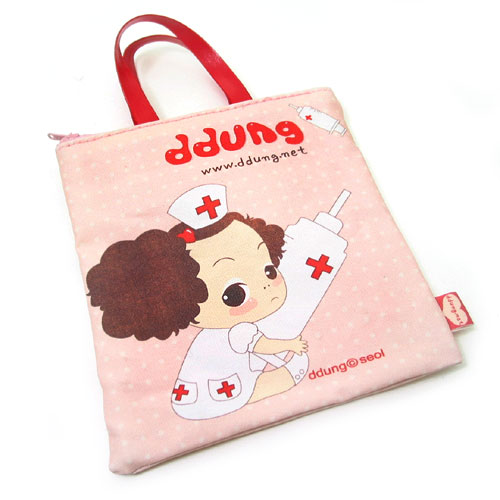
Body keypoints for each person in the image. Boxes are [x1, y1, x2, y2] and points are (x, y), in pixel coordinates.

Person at [86, 185, 309, 420]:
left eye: (269, 271)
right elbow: (262, 346)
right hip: (219, 393)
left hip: (192, 394)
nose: (265, 287)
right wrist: (291, 345)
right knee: (275, 380)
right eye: (234, 294)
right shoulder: (238, 330)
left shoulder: (218, 334)